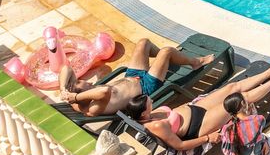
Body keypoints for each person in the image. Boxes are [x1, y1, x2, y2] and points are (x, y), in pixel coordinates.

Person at [125, 60, 270, 155]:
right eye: (148, 102)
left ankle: (269, 73)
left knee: (232, 87)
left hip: (195, 109)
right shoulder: (155, 126)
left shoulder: (146, 116)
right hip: (198, 126)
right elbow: (180, 145)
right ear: (144, 113)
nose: (151, 99)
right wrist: (207, 138)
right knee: (238, 100)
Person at [59, 38, 214, 118]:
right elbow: (105, 91)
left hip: (132, 76)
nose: (85, 80)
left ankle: (171, 59)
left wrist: (64, 90)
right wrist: (77, 96)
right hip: (146, 86)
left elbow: (66, 68)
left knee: (143, 43)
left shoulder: (77, 97)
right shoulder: (90, 108)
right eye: (81, 82)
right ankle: (195, 62)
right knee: (166, 51)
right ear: (81, 94)